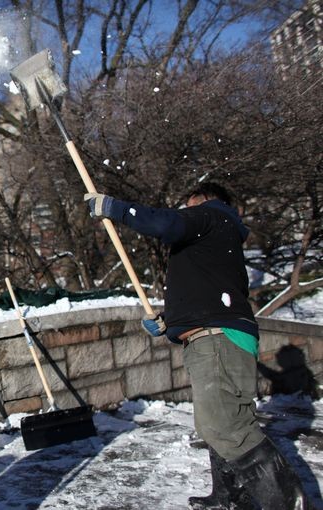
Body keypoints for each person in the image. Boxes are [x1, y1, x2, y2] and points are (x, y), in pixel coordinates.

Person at [85, 183, 307, 510]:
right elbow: (203, 290)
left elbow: (165, 224)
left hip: (218, 338)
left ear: (204, 200)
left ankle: (290, 505)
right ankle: (230, 497)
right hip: (213, 334)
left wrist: (116, 209)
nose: (187, 212)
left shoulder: (213, 215)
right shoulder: (217, 235)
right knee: (216, 425)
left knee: (226, 427)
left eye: (189, 205)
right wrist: (168, 321)